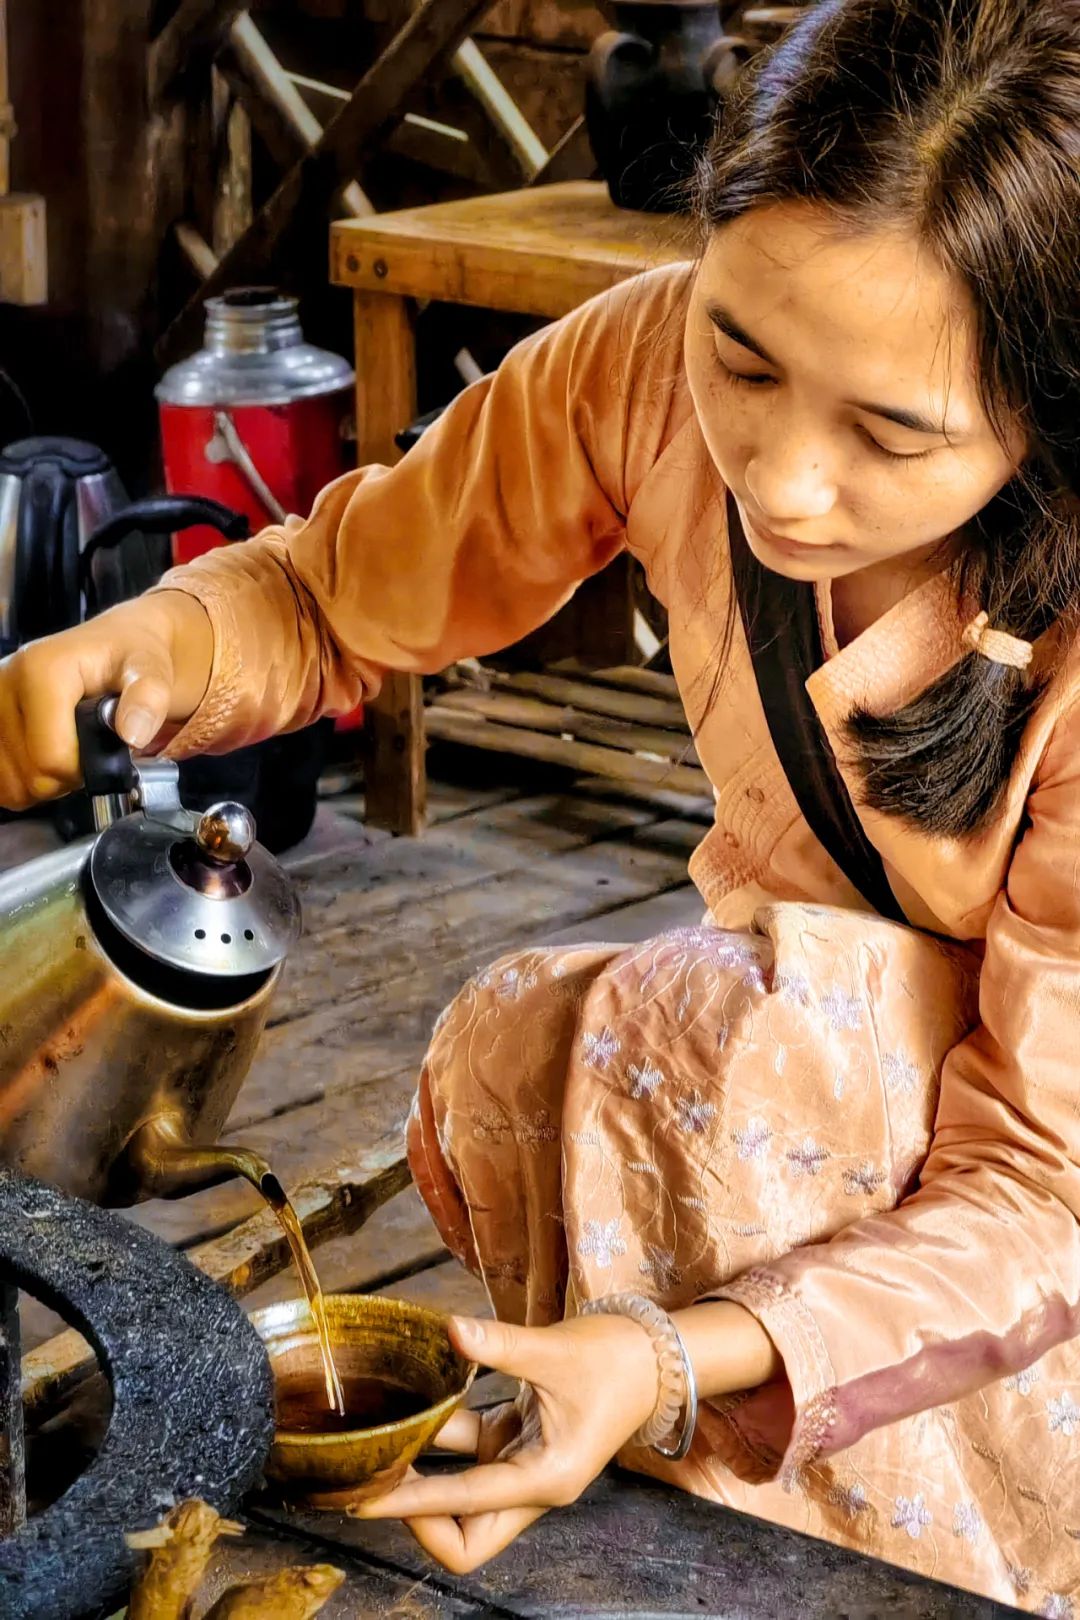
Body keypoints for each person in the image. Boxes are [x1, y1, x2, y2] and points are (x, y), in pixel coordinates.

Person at [2, 0, 1078, 1607]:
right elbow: (348, 585)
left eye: (890, 434)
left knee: (702, 1036)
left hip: (1022, 1194)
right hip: (807, 1088)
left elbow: (1047, 1187)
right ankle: (649, 1461)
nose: (781, 477)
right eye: (744, 356)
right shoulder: (642, 363)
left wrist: (666, 1357)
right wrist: (155, 639)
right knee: (533, 1028)